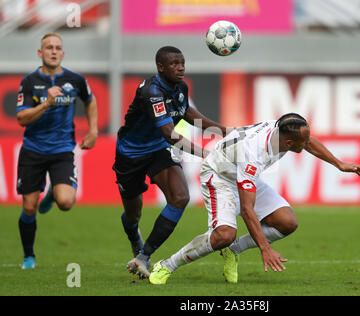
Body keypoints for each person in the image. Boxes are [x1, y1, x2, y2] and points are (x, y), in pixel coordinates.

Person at [149, 113, 360, 284]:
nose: (308, 143)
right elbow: (247, 209)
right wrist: (265, 248)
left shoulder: (284, 128)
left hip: (241, 173)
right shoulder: (253, 154)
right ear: (290, 143)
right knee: (224, 235)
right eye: (303, 141)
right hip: (219, 177)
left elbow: (308, 142)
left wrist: (339, 164)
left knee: (287, 222)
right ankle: (167, 265)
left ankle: (233, 250)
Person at [113, 46, 228, 279]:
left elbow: (187, 113)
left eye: (182, 62)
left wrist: (223, 130)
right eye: (174, 63)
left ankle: (143, 257)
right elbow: (169, 133)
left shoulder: (180, 86)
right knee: (133, 214)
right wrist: (205, 153)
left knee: (180, 197)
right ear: (161, 67)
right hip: (130, 154)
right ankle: (134, 235)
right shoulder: (151, 92)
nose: (181, 67)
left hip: (158, 150)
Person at [16, 32, 98, 269]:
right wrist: (46, 104)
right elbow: (22, 118)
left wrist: (92, 130)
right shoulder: (29, 81)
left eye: (57, 47)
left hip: (62, 150)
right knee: (29, 207)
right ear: (40, 53)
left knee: (65, 202)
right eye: (48, 47)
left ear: (63, 53)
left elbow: (90, 100)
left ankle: (53, 191)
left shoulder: (75, 79)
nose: (53, 51)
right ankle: (29, 256)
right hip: (33, 150)